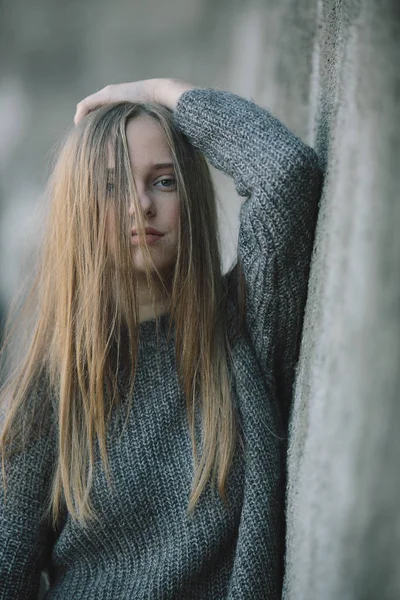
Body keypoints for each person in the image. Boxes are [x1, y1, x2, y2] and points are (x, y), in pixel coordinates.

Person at [0, 77, 323, 599]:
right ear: (78, 209)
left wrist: (165, 92)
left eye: (164, 181)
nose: (140, 206)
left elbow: (285, 174)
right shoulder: (51, 390)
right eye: (111, 186)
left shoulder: (241, 326)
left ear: (189, 194)